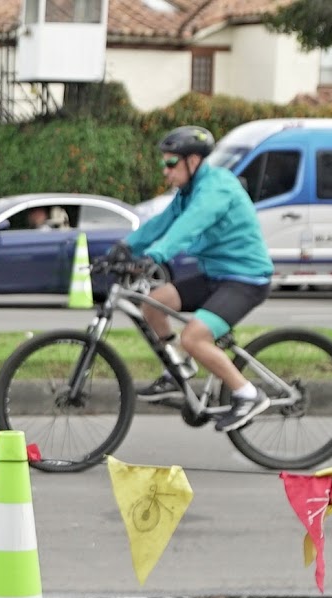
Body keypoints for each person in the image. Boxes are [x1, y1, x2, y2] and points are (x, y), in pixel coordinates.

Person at [114, 125, 276, 432]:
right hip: (215, 275)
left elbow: (188, 225)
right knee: (153, 304)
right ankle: (181, 367)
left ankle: (248, 394)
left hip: (246, 280)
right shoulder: (187, 193)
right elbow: (162, 223)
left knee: (194, 337)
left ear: (194, 161)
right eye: (163, 163)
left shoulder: (216, 189)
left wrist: (155, 256)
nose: (165, 171)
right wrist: (123, 248)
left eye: (171, 163)